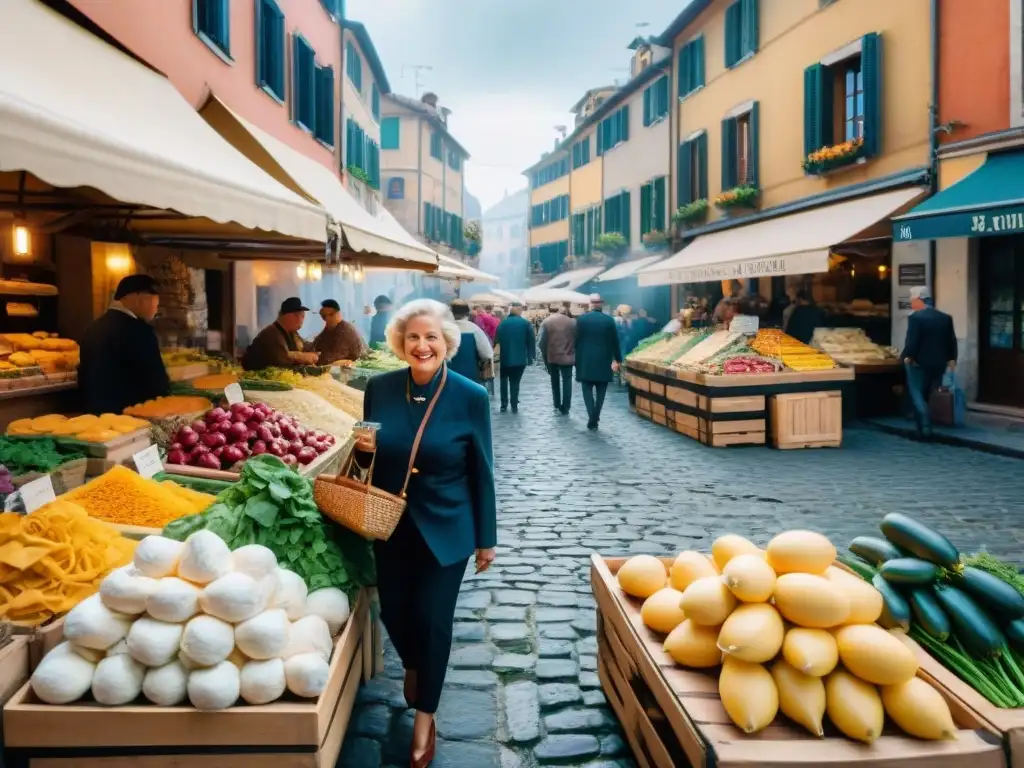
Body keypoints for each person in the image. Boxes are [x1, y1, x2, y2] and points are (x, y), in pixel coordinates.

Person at [348, 299, 495, 768]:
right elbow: (364, 467)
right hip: (390, 525)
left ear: (446, 342)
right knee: (394, 612)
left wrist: (485, 537)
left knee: (433, 621)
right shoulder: (380, 388)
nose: (422, 345)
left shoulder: (471, 395)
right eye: (413, 337)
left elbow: (483, 471)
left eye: (431, 337)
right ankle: (415, 665)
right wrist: (364, 451)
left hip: (448, 527)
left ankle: (425, 719)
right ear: (400, 343)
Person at [79, 274, 170, 415]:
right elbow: (156, 383)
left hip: (95, 418)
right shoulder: (140, 331)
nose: (156, 310)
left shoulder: (92, 328)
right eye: (156, 304)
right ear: (140, 297)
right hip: (131, 417)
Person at [902, 286, 958, 440]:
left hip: (919, 362)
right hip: (939, 363)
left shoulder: (915, 318)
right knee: (929, 392)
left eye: (912, 300)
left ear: (920, 300)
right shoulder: (945, 318)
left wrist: (907, 356)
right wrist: (952, 359)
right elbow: (951, 341)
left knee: (916, 392)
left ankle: (924, 422)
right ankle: (925, 426)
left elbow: (912, 342)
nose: (911, 303)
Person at [575, 294, 622, 430]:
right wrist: (618, 359)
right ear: (601, 305)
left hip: (586, 359)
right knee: (602, 390)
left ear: (591, 304)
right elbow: (615, 341)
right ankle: (595, 416)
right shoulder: (609, 320)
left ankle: (592, 416)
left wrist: (576, 357)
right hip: (603, 359)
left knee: (586, 388)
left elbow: (576, 340)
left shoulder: (582, 320)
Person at [241, 297, 320, 371]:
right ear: (290, 316)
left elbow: (305, 347)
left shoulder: (292, 333)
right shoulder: (271, 334)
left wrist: (313, 353)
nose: (303, 320)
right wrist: (299, 356)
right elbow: (281, 362)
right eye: (302, 316)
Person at [494, 301, 534, 413]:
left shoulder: (502, 324)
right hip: (520, 358)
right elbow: (531, 341)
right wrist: (530, 357)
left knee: (503, 380)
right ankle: (514, 403)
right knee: (515, 382)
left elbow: (496, 341)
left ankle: (503, 404)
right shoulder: (525, 324)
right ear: (519, 310)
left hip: (504, 357)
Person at [538, 304, 576, 415]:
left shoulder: (547, 322)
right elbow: (577, 340)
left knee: (554, 381)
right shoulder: (573, 322)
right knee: (567, 381)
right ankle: (566, 407)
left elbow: (541, 343)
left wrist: (545, 356)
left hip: (552, 356)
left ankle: (556, 403)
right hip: (568, 356)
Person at [448, 299, 493, 383]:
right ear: (467, 314)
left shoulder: (442, 330)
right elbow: (487, 355)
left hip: (447, 378)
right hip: (471, 378)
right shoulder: (474, 329)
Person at [311, 299, 364, 365]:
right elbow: (316, 344)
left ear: (339, 313)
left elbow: (331, 358)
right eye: (324, 316)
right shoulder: (331, 327)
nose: (327, 319)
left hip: (348, 370)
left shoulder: (345, 329)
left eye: (331, 314)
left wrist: (311, 358)